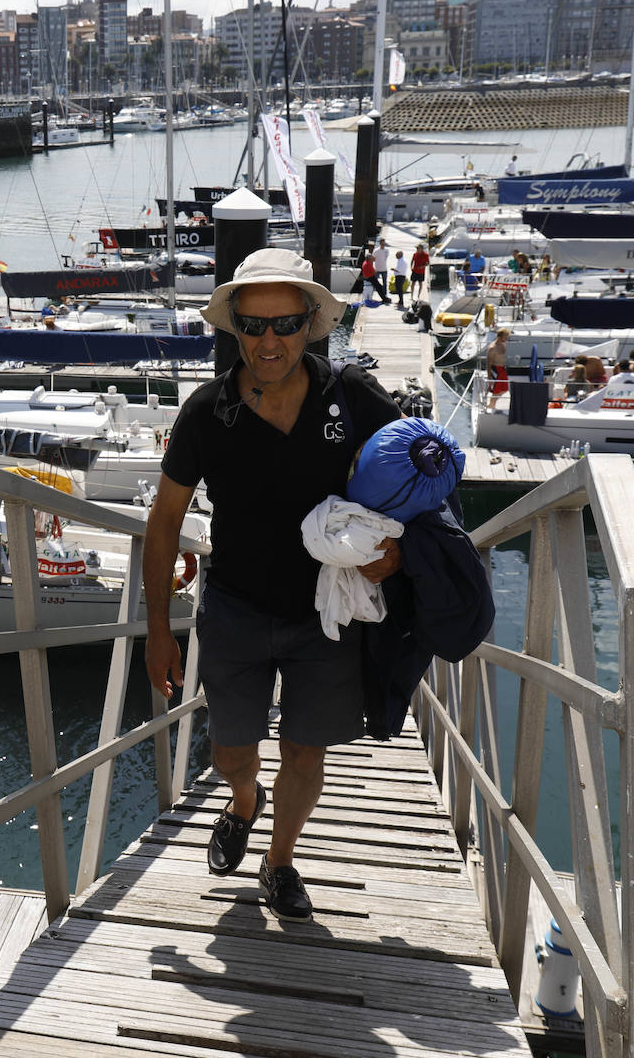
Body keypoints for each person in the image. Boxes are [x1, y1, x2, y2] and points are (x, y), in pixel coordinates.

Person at [143, 248, 403, 922]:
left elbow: (419, 486)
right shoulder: (206, 413)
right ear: (233, 327)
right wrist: (156, 632)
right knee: (232, 752)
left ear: (311, 323)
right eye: (253, 327)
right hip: (234, 607)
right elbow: (165, 519)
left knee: (304, 748)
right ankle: (241, 801)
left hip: (324, 611)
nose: (269, 341)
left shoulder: (356, 399)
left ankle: (279, 860)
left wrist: (397, 553)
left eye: (285, 324)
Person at [486, 329, 510, 397]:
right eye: (505, 337)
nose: (506, 339)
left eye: (507, 337)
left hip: (503, 369)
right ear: (499, 337)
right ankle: (492, 405)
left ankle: (495, 402)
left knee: (504, 389)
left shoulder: (503, 344)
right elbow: (488, 363)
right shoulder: (492, 348)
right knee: (495, 391)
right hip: (496, 370)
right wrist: (489, 377)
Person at [372, 238, 391, 303]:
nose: (383, 245)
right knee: (375, 282)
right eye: (382, 243)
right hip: (377, 269)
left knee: (385, 282)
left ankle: (385, 294)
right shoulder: (376, 250)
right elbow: (373, 259)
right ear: (380, 244)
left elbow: (385, 257)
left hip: (384, 269)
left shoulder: (387, 250)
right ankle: (376, 292)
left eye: (384, 243)